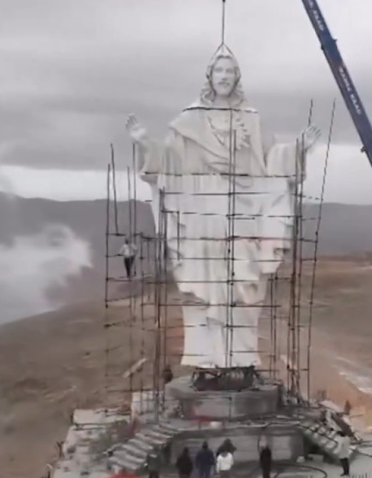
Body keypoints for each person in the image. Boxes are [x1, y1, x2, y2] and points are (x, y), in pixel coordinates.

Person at [124, 43, 321, 369]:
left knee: (244, 285)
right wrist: (146, 142)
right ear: (210, 76)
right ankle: (205, 361)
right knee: (202, 288)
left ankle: (240, 361)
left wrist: (298, 149)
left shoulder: (251, 119)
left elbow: (270, 160)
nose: (225, 77)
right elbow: (171, 162)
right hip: (201, 212)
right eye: (219, 71)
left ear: (237, 77)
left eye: (230, 71)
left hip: (243, 212)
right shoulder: (189, 120)